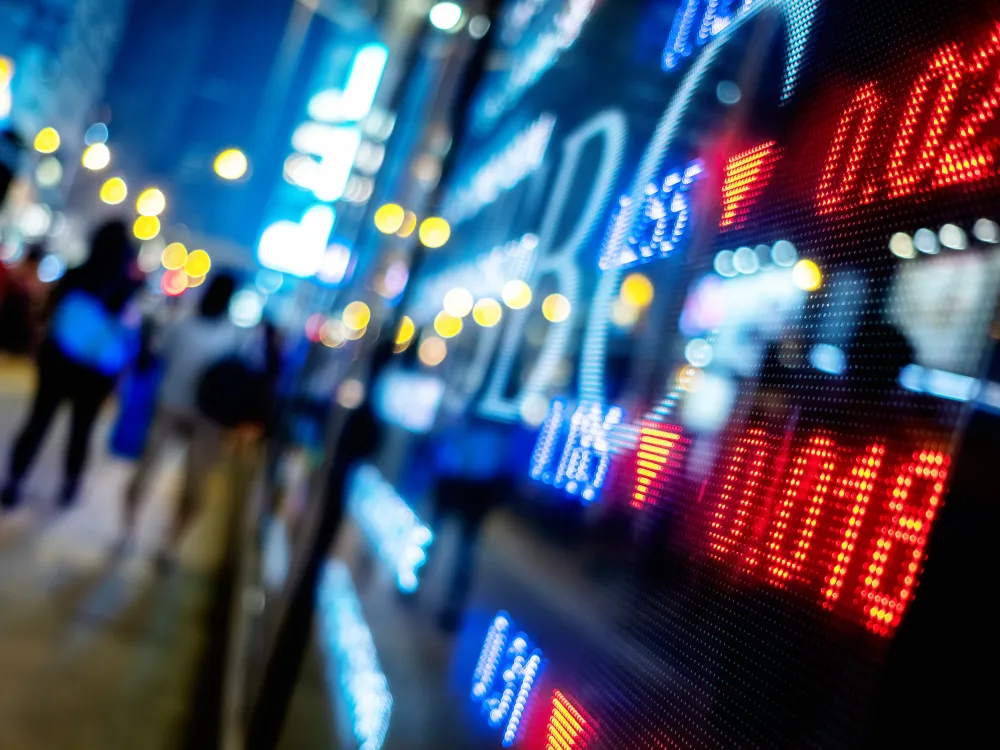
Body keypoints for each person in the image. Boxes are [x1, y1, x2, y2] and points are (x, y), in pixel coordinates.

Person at [2, 220, 140, 510]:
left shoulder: (76, 275)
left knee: (38, 421)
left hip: (58, 363)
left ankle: (15, 481)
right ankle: (69, 485)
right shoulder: (126, 290)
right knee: (82, 431)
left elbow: (50, 312)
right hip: (95, 374)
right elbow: (128, 337)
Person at [123, 272, 255, 559]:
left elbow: (155, 356)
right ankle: (152, 539)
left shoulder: (194, 327)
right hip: (189, 411)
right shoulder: (222, 334)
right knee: (172, 479)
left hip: (189, 412)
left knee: (176, 479)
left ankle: (150, 538)